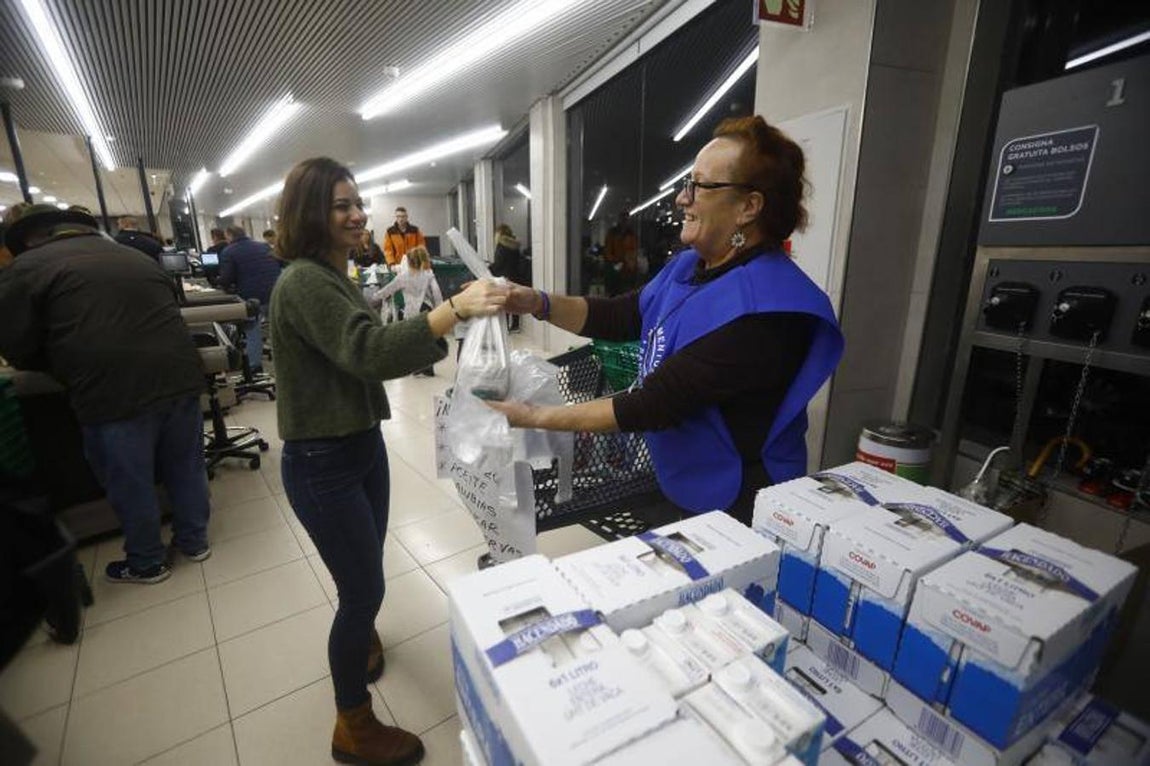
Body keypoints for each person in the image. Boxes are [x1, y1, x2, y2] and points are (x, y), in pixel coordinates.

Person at [491, 116, 844, 526]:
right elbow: (622, 314)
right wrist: (537, 302)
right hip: (682, 474)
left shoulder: (767, 308)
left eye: (700, 186)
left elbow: (657, 402)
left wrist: (531, 416)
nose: (682, 198)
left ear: (749, 206)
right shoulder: (691, 266)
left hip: (737, 499)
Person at [269, 157, 506, 766]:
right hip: (324, 462)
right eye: (339, 205)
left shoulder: (333, 273)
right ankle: (353, 724)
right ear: (309, 214)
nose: (355, 214)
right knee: (361, 588)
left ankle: (363, 628)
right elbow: (366, 350)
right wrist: (452, 309)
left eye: (357, 202)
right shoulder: (303, 281)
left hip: (357, 444)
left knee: (365, 563)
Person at [0, 204, 211, 582]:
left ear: (31, 239)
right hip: (179, 373)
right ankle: (195, 541)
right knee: (186, 466)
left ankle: (147, 562)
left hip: (111, 389)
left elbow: (16, 342)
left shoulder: (28, 267)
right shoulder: (136, 257)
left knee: (130, 479)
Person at [368, 245, 444, 376]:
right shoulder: (428, 274)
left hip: (412, 311)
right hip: (427, 308)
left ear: (408, 261)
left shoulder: (404, 276)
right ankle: (428, 368)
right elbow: (436, 292)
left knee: (413, 340)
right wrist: (440, 307)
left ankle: (417, 366)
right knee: (428, 339)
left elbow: (388, 290)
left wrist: (374, 297)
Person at [219, 225, 280, 374]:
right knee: (278, 330)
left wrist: (221, 284)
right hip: (274, 292)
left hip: (251, 297)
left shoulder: (229, 251)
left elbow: (227, 278)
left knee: (252, 330)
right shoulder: (264, 246)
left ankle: (254, 367)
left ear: (230, 235)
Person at [491, 224, 523, 331]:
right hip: (515, 276)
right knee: (514, 302)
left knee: (505, 302)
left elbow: (499, 264)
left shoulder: (501, 246)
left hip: (504, 278)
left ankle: (504, 327)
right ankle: (515, 325)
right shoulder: (515, 245)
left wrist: (489, 267)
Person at [603, 211, 638, 296]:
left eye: (626, 219)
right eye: (623, 219)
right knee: (614, 291)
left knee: (627, 292)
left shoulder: (631, 234)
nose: (624, 221)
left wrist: (630, 262)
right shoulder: (612, 233)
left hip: (628, 268)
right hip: (614, 267)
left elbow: (634, 250)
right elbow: (607, 250)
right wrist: (614, 262)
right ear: (619, 219)